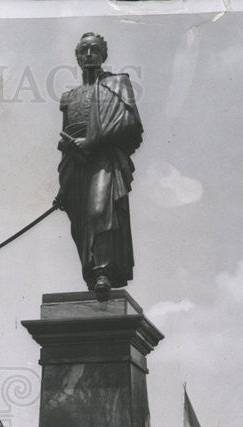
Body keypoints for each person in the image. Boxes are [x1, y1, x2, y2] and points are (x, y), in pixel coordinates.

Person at [53, 32, 143, 296]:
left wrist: (91, 142)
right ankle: (91, 274)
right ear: (78, 57)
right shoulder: (69, 97)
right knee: (80, 224)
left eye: (94, 49)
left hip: (102, 158)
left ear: (104, 54)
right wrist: (62, 188)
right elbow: (66, 134)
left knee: (98, 212)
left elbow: (129, 123)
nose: (89, 54)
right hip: (75, 163)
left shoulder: (117, 84)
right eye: (83, 50)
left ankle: (102, 271)